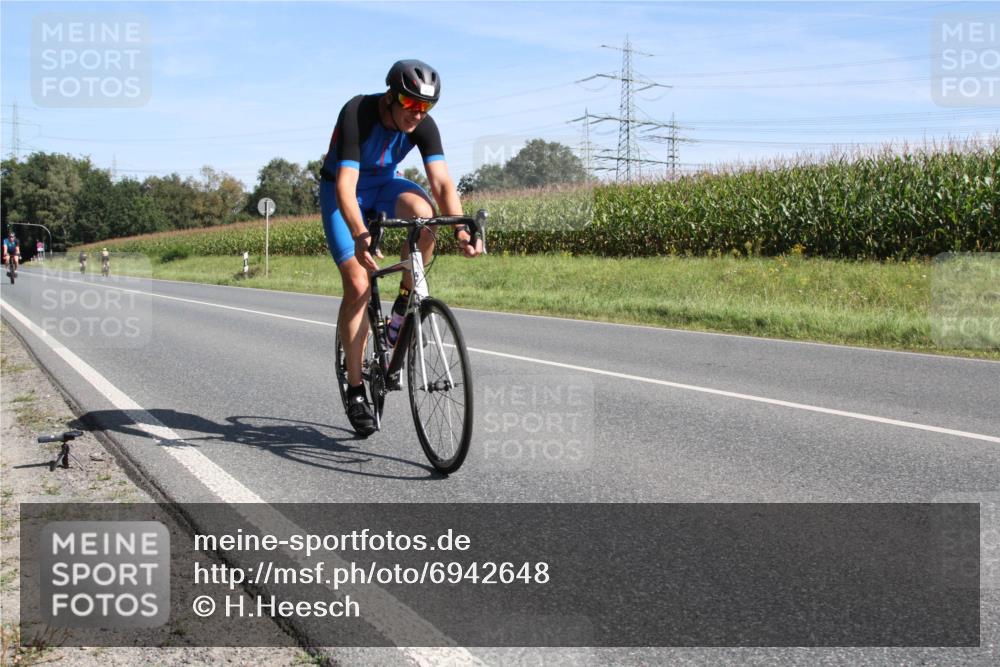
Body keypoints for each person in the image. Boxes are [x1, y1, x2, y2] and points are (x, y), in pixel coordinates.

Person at [320, 59, 482, 437]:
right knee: (359, 284)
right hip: (342, 191)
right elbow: (345, 186)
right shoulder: (357, 112)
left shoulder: (422, 123)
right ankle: (357, 388)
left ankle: (405, 299)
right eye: (410, 105)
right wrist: (360, 232)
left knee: (426, 218)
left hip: (384, 185)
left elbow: (441, 182)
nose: (417, 114)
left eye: (425, 107)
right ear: (391, 96)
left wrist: (460, 229)